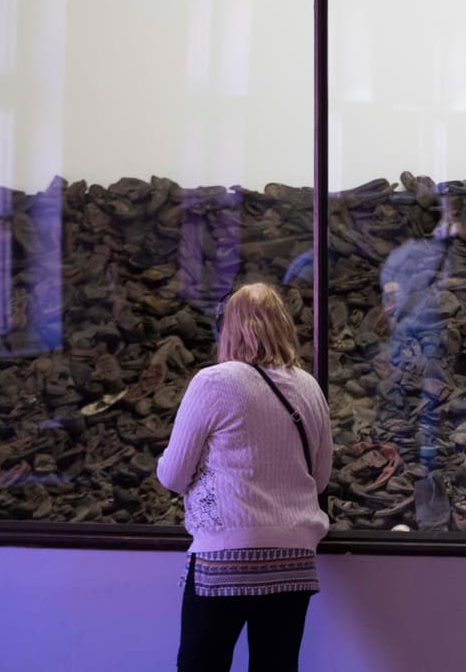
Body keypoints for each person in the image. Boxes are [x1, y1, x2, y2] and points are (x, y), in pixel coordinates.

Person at [157, 282, 333, 672]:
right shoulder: (310, 387)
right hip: (294, 558)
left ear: (229, 328)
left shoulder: (213, 382)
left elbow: (173, 475)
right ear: (283, 325)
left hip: (227, 556)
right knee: (276, 665)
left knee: (201, 664)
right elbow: (320, 479)